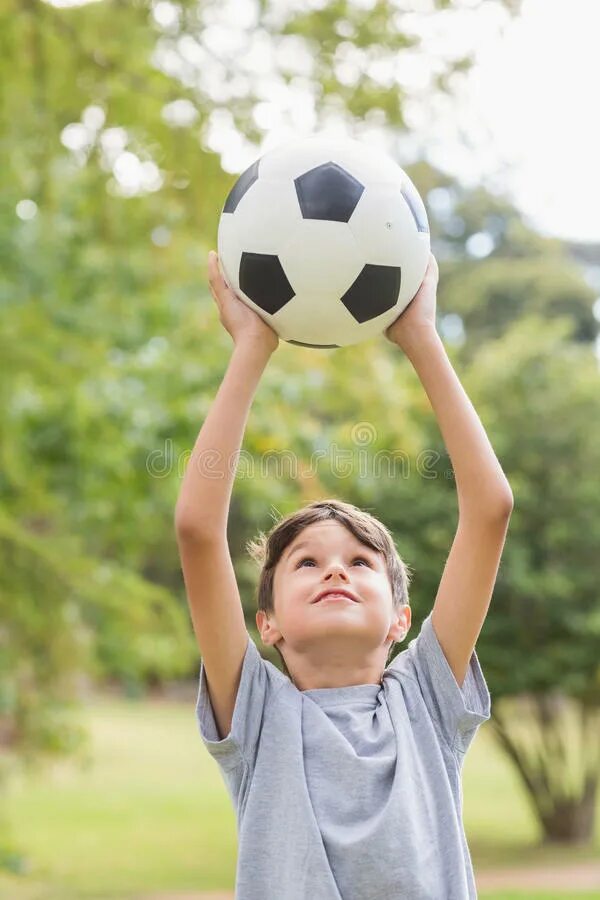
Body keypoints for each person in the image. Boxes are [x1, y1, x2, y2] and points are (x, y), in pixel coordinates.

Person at [175, 250, 514, 900]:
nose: (336, 569)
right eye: (307, 562)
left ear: (400, 619)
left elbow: (490, 508)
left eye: (360, 561)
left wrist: (421, 339)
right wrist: (252, 346)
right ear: (266, 621)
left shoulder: (426, 701)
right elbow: (197, 531)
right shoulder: (257, 714)